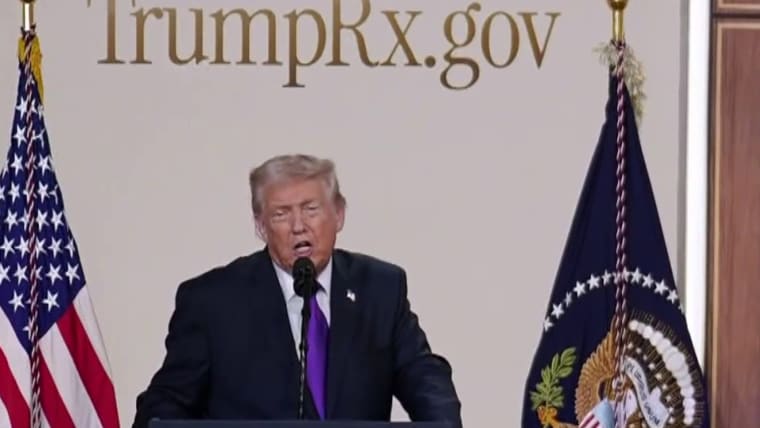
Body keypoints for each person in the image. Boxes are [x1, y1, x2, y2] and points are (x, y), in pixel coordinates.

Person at [132, 154, 462, 428]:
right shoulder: (213, 302)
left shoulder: (380, 288)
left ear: (339, 214)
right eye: (281, 214)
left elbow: (423, 376)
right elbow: (168, 400)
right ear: (260, 226)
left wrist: (443, 424)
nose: (298, 226)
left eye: (310, 209)